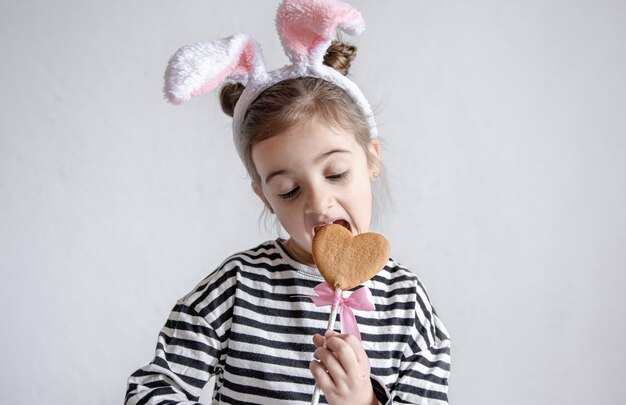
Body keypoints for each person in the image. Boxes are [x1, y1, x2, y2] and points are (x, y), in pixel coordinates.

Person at [125, 1, 450, 404]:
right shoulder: (237, 285)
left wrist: (364, 401)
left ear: (370, 160)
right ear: (264, 195)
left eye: (335, 174)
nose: (318, 202)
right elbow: (154, 385)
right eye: (289, 191)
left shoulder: (407, 305)